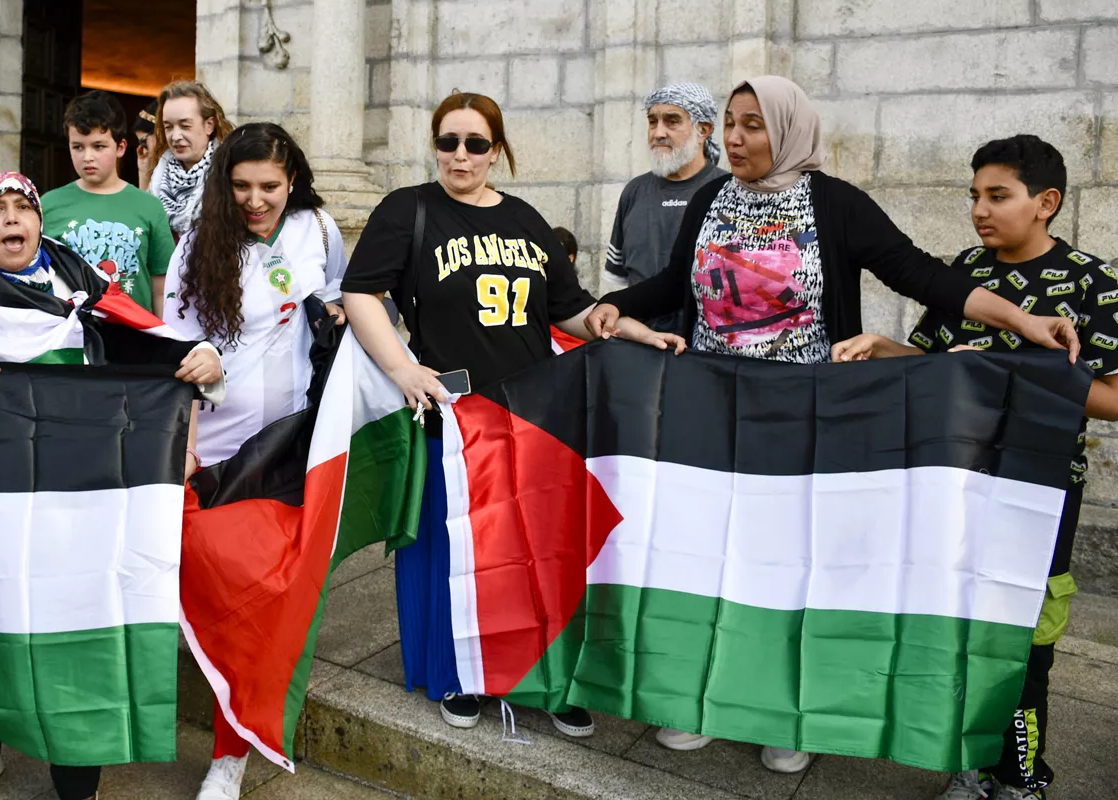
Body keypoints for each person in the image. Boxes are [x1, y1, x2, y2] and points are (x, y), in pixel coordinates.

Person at [585, 77, 1081, 775]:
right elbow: (675, 285)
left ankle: (789, 714)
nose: (734, 138)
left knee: (793, 569)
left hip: (807, 421)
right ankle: (697, 697)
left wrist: (1024, 320)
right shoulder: (709, 198)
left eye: (753, 125)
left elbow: (921, 276)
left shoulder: (835, 204)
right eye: (728, 123)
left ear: (788, 129)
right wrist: (616, 303)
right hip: (712, 416)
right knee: (708, 559)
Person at [340, 91, 671, 738]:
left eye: (475, 143)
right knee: (457, 548)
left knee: (541, 551)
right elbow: (360, 292)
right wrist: (403, 368)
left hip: (534, 413)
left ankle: (550, 679)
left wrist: (623, 326)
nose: (460, 155)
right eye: (448, 141)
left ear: (497, 149)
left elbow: (568, 308)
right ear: (434, 144)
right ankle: (460, 673)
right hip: (455, 415)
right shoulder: (406, 209)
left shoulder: (523, 217)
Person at [0, 171, 224, 800]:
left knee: (78, 612)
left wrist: (205, 358)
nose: (12, 219)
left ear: (41, 222)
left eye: (24, 208)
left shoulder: (85, 291)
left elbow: (154, 346)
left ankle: (78, 768)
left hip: (78, 494)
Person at [833, 135, 1118, 800]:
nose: (979, 211)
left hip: (1042, 492)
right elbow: (937, 364)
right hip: (957, 485)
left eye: (997, 196)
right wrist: (881, 347)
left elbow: (1112, 398)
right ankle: (968, 758)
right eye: (973, 196)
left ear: (1045, 203)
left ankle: (1020, 776)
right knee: (961, 626)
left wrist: (1018, 376)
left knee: (1027, 639)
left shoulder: (1092, 283)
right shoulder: (966, 276)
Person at [163, 123, 345, 800]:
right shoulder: (195, 246)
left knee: (262, 606)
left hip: (292, 442)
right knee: (221, 598)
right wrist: (181, 437)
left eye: (268, 186)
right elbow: (172, 348)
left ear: (292, 179)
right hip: (215, 448)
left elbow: (345, 303)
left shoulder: (319, 231)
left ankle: (229, 755)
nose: (255, 200)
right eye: (240, 186)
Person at [601, 82, 729, 331]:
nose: (658, 133)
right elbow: (618, 281)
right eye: (652, 121)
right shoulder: (634, 192)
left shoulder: (727, 190)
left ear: (703, 130)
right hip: (641, 347)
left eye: (672, 121)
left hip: (704, 349)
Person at [40, 90, 176, 314]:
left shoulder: (149, 207)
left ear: (121, 147)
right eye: (78, 147)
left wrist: (166, 342)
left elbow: (161, 289)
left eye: (99, 146)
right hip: (70, 339)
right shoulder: (49, 205)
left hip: (134, 339)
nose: (87, 157)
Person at [146, 80, 235, 238]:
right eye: (168, 127)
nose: (175, 136)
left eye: (185, 126)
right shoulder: (157, 176)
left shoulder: (231, 172)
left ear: (209, 125)